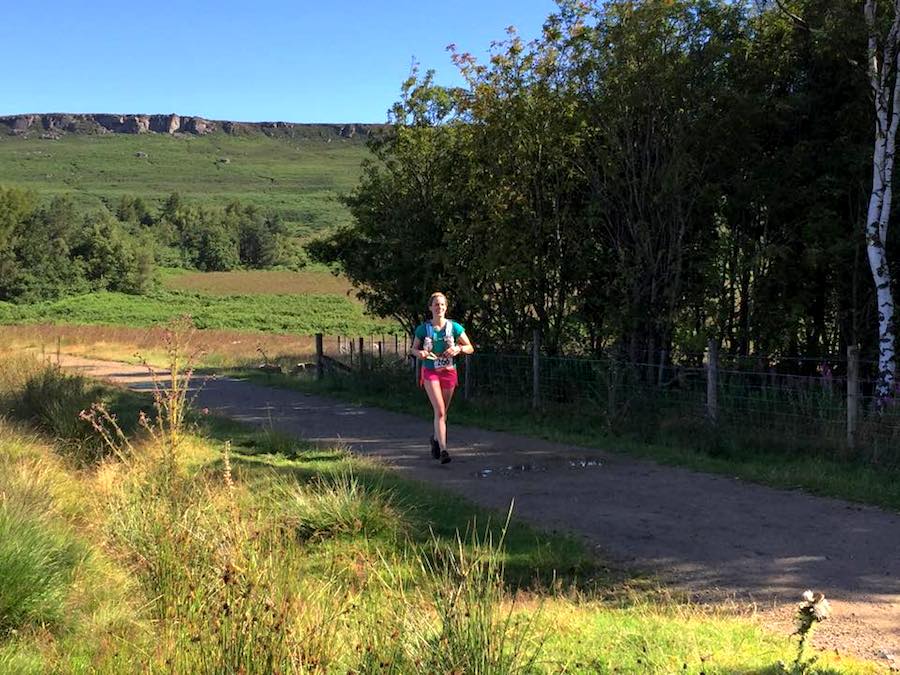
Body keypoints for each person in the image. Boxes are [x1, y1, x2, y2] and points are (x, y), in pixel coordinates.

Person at [411, 291, 474, 464]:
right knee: (439, 410)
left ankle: (436, 439)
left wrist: (459, 349)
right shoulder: (424, 329)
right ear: (430, 307)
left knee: (443, 412)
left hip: (448, 371)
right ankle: (444, 450)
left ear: (446, 308)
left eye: (442, 304)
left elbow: (470, 347)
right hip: (430, 371)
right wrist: (421, 353)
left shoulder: (454, 327)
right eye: (436, 304)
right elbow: (413, 349)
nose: (439, 307)